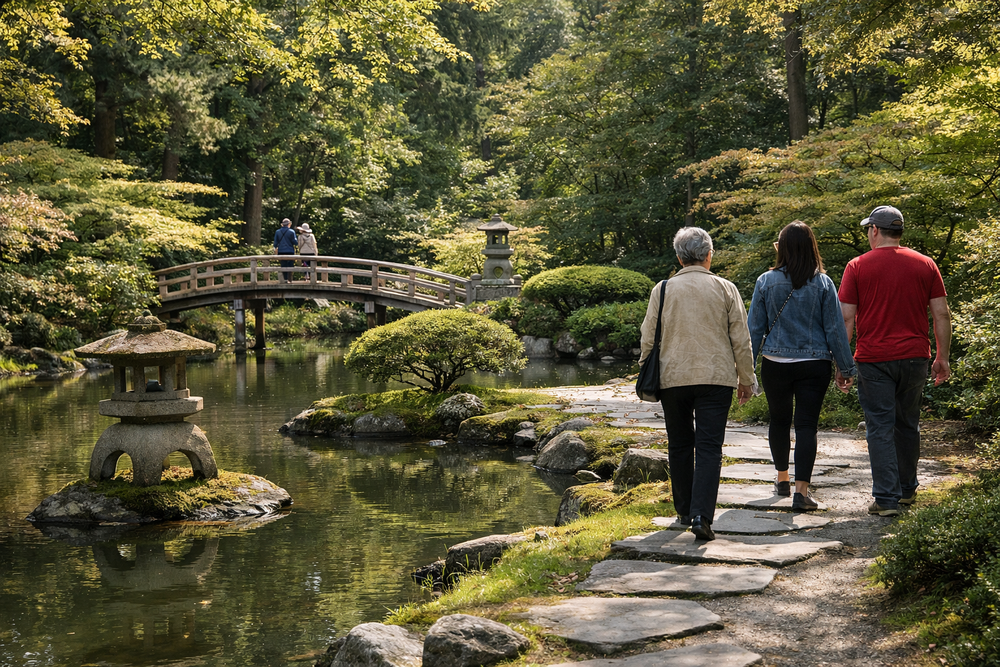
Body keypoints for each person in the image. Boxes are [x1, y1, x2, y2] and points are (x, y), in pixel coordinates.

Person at [639, 227, 756, 541]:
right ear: (708, 255)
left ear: (679, 257)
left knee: (679, 445)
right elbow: (741, 340)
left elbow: (648, 338)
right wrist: (746, 379)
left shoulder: (662, 289)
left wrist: (645, 370)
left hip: (672, 377)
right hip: (716, 378)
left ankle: (683, 511)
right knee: (708, 448)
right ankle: (702, 516)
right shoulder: (725, 288)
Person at [837, 205, 951, 517]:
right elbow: (940, 313)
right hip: (915, 357)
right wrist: (942, 357)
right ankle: (907, 490)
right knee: (907, 423)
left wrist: (842, 363)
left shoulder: (857, 266)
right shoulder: (926, 264)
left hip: (874, 360)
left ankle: (886, 499)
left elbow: (846, 320)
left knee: (879, 427)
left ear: (874, 230)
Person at [747, 221, 857, 512]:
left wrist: (744, 370)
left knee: (779, 421)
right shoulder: (823, 283)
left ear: (780, 248)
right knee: (807, 425)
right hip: (814, 364)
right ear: (812, 247)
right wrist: (846, 368)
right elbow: (835, 329)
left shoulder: (765, 281)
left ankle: (782, 478)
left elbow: (754, 330)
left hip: (775, 364)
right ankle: (801, 492)